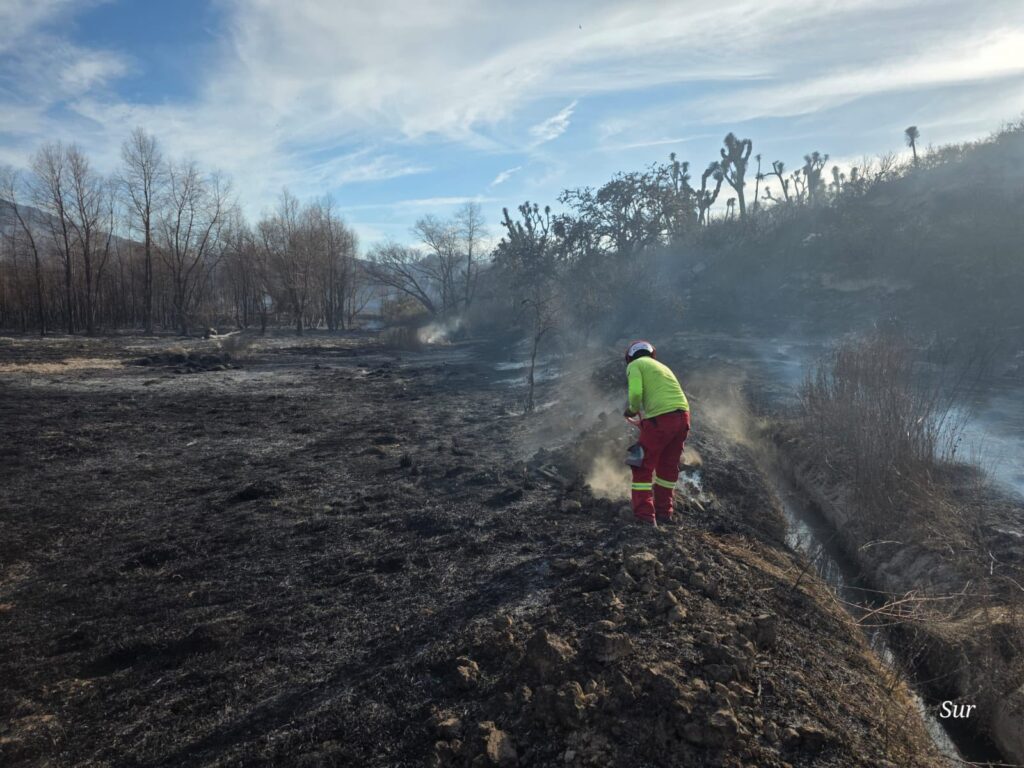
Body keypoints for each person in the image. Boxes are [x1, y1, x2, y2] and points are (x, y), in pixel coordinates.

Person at [623, 340, 691, 526]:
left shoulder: (635, 365)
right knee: (667, 466)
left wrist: (631, 409)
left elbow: (636, 394)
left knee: (641, 465)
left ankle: (645, 517)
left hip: (661, 418)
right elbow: (667, 401)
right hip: (683, 416)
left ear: (629, 357)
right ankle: (664, 513)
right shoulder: (662, 367)